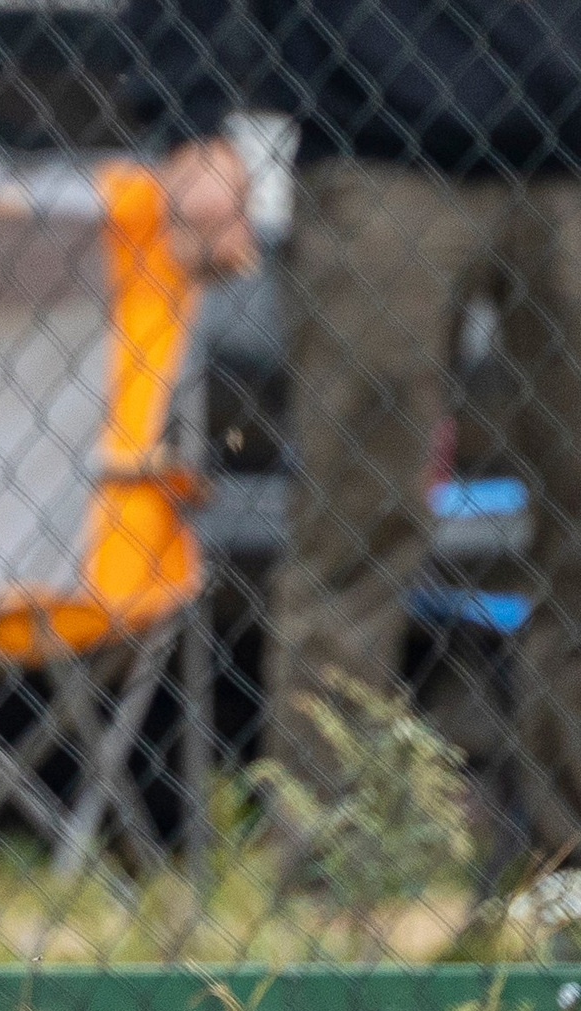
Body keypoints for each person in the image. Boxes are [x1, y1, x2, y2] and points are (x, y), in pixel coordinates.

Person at [126, 0, 581, 865]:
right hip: (379, 138)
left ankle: (572, 881)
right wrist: (188, 120)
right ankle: (335, 879)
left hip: (570, 145)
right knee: (355, 538)